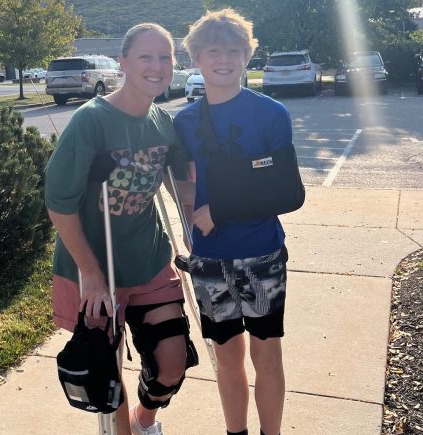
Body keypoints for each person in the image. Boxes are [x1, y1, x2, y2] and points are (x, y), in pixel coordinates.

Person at [45, 23, 197, 435]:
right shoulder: (90, 121)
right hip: (94, 264)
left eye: (165, 57)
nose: (157, 66)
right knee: (106, 374)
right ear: (124, 62)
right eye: (146, 57)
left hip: (147, 258)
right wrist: (91, 275)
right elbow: (58, 205)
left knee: (172, 361)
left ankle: (145, 420)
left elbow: (181, 177)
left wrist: (194, 217)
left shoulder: (163, 121)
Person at [174, 9, 293, 435]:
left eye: (233, 50)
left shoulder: (271, 113)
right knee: (226, 356)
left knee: (266, 355)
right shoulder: (184, 122)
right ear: (197, 59)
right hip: (209, 260)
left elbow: (285, 191)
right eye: (213, 51)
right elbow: (181, 180)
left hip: (262, 255)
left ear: (247, 56)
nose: (223, 59)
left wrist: (221, 208)